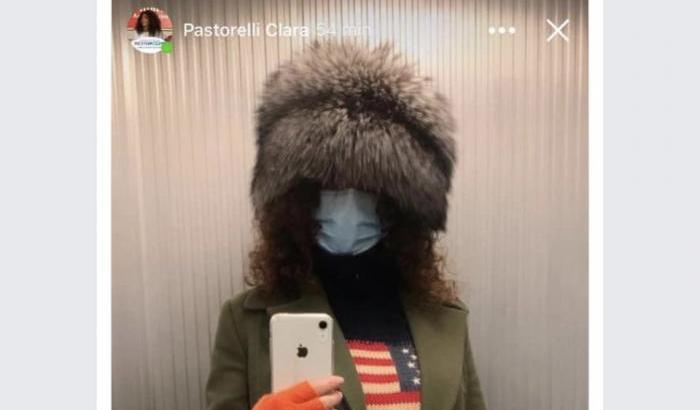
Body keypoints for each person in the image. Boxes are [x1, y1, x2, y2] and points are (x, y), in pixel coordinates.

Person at [205, 42, 486, 410]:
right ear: (297, 196)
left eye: (370, 187)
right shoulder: (246, 321)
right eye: (331, 185)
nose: (350, 204)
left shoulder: (445, 316)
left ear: (402, 202)